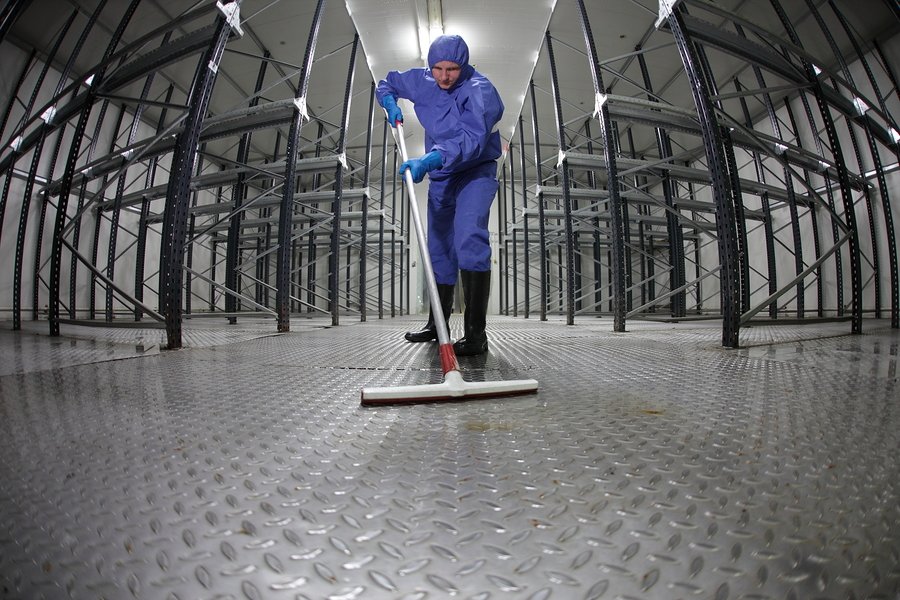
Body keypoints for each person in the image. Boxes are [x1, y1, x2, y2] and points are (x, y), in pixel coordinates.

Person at [376, 34, 504, 356]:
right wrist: (389, 101)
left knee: (468, 237)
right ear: (430, 66)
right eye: (437, 68)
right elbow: (387, 82)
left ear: (463, 65)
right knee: (438, 248)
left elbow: (472, 138)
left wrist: (430, 159)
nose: (444, 76)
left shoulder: (480, 91)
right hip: (442, 176)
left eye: (452, 69)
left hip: (474, 171)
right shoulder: (422, 82)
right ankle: (437, 326)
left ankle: (476, 336)